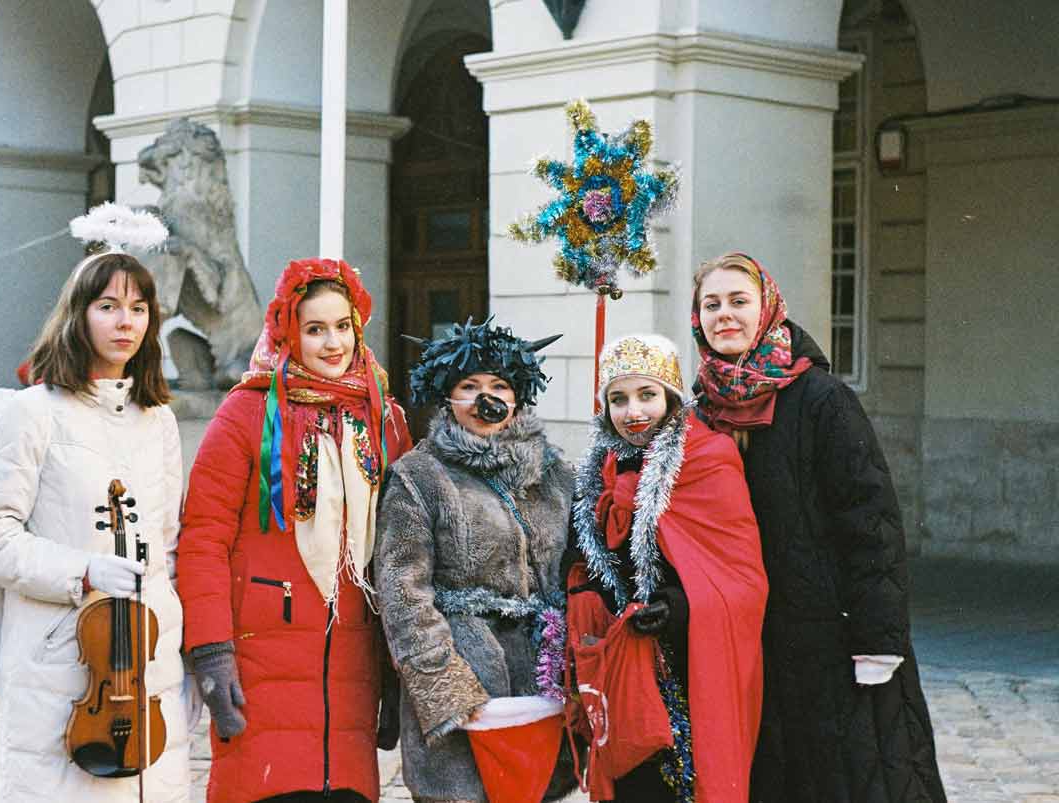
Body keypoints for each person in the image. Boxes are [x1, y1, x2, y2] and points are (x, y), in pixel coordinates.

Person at [691, 252, 947, 803]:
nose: (723, 314)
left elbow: (870, 519)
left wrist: (878, 640)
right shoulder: (700, 410)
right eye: (711, 304)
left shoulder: (822, 399)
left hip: (833, 640)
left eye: (738, 301)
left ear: (767, 308)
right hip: (751, 643)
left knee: (855, 781)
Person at [0, 246, 192, 802]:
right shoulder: (33, 413)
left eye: (138, 309)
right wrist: (82, 570)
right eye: (108, 306)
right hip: (61, 660)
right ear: (78, 314)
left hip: (148, 665)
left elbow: (166, 545)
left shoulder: (158, 419)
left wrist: (174, 644)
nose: (125, 322)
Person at [177, 258, 413, 803]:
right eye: (315, 329)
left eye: (342, 326)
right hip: (261, 664)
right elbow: (204, 539)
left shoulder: (384, 418)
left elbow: (399, 552)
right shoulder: (245, 413)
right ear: (289, 332)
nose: (333, 343)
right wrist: (211, 650)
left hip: (353, 669)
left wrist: (395, 667)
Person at [374, 318, 573, 803]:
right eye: (470, 386)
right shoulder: (418, 477)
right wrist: (447, 690)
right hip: (464, 686)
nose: (486, 398)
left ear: (517, 395)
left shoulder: (556, 476)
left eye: (499, 385)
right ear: (448, 396)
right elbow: (403, 593)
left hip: (539, 689)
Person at [567, 334, 768, 803]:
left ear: (671, 397)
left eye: (646, 394)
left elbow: (742, 577)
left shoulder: (709, 457)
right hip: (622, 665)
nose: (632, 410)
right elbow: (588, 556)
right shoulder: (601, 467)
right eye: (618, 399)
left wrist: (680, 606)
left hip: (686, 662)